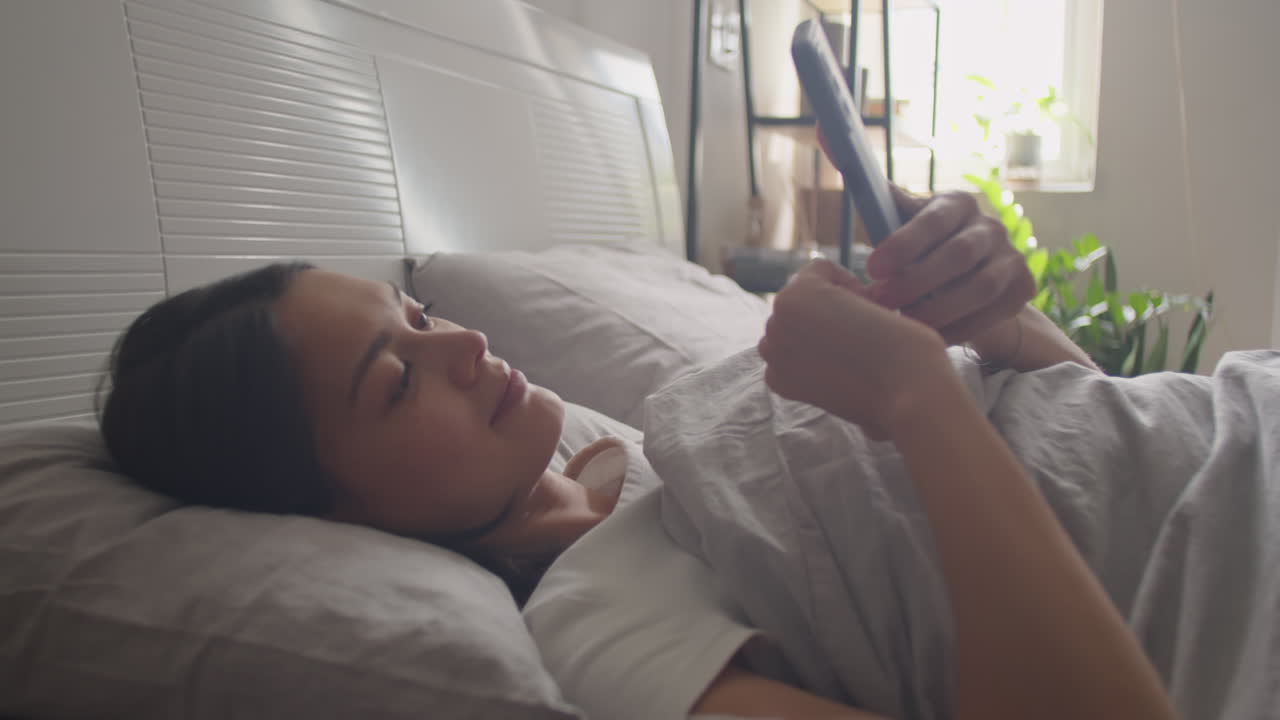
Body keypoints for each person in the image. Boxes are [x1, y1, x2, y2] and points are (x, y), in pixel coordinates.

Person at [100, 186, 1188, 720]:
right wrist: (912, 393)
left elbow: (1100, 445)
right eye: (396, 381)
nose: (470, 346)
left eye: (422, 317)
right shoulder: (598, 627)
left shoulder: (630, 461)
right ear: (326, 517)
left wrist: (998, 325)